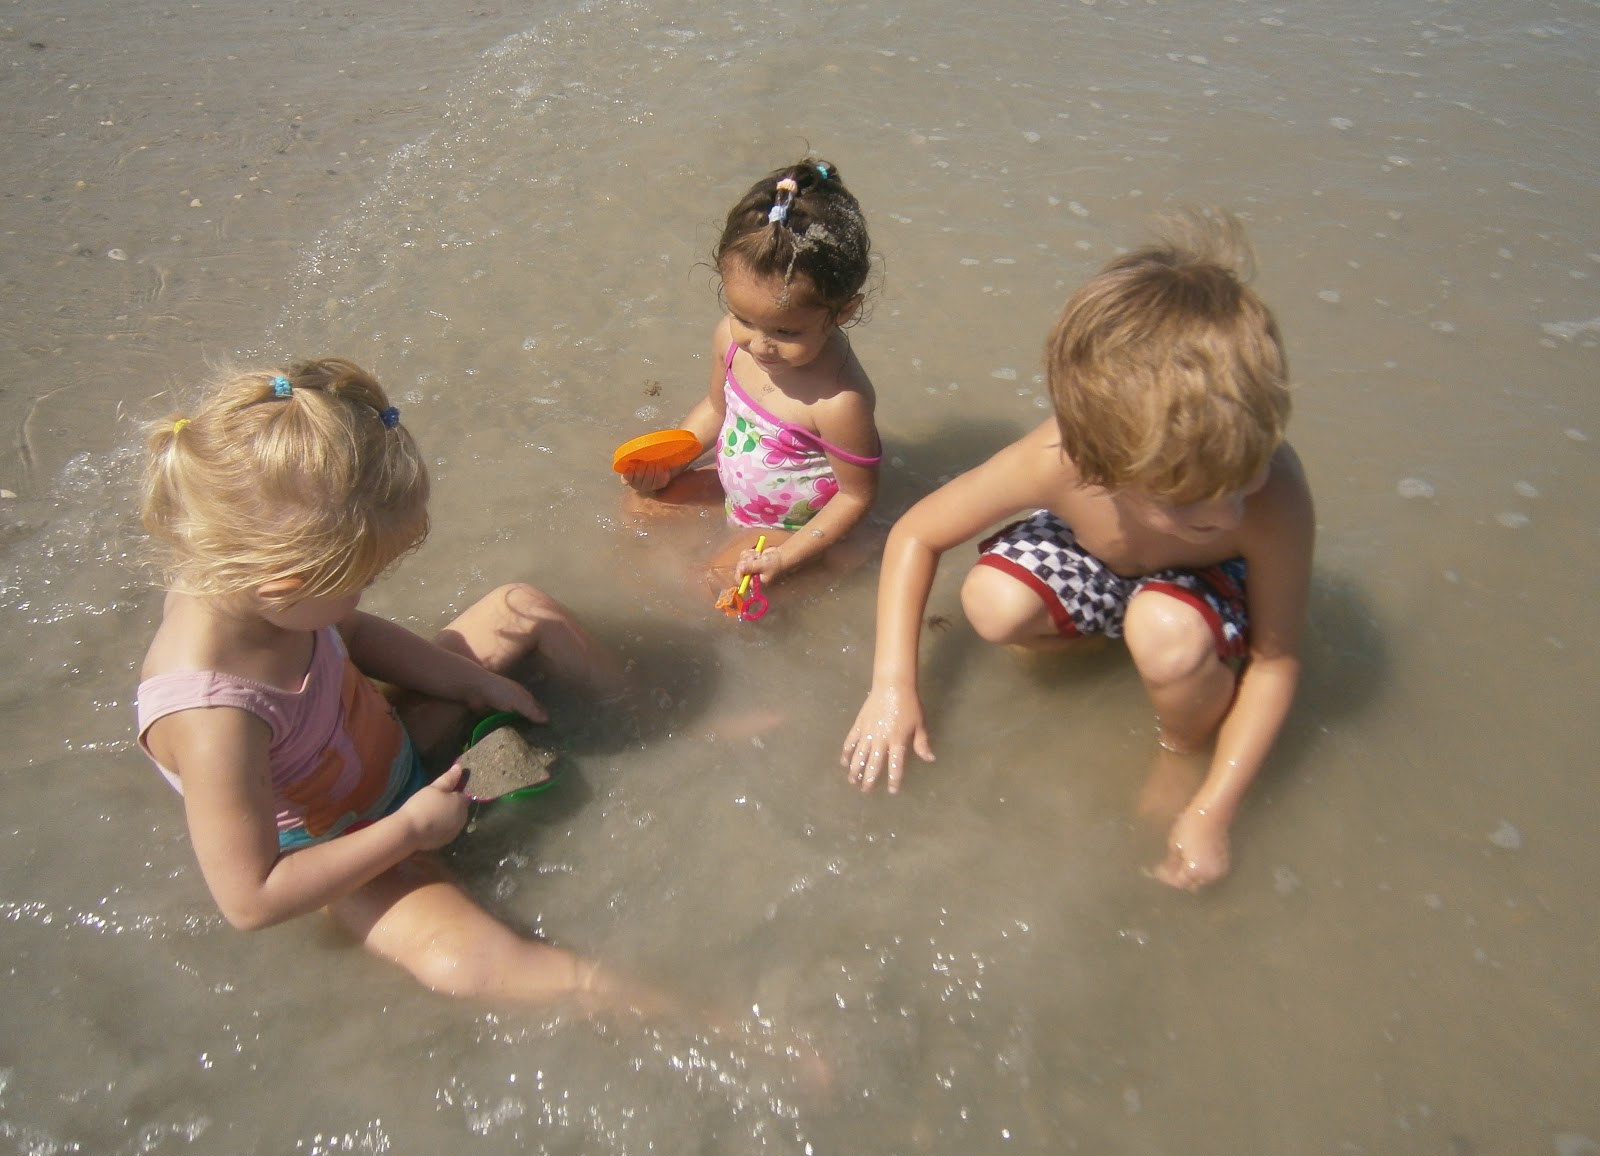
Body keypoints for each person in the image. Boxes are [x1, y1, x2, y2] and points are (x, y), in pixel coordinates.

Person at [135, 358, 652, 1007]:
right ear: (284, 586)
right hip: (344, 848)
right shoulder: (214, 719)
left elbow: (350, 634)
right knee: (463, 962)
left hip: (389, 748)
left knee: (521, 608)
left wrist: (469, 681)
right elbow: (252, 898)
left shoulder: (258, 583)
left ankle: (645, 713)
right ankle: (686, 1016)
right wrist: (408, 831)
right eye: (360, 581)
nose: (363, 595)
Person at [839, 212, 1314, 892]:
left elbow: (1277, 660)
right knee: (991, 603)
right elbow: (918, 533)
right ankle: (1110, 642)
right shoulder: (1054, 459)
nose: (1229, 513)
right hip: (1103, 558)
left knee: (1165, 630)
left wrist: (1213, 806)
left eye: (1246, 479)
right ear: (1099, 469)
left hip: (1202, 592)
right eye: (1189, 501)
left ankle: (1183, 735)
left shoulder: (1274, 497)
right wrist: (893, 687)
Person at [620, 157, 881, 594]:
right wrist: (671, 464)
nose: (760, 345)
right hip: (735, 490)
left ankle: (838, 557)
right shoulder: (730, 339)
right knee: (639, 507)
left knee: (715, 589)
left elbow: (856, 496)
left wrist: (786, 557)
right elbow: (715, 409)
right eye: (744, 318)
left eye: (786, 332)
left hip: (790, 526)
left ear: (844, 311)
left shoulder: (838, 401)